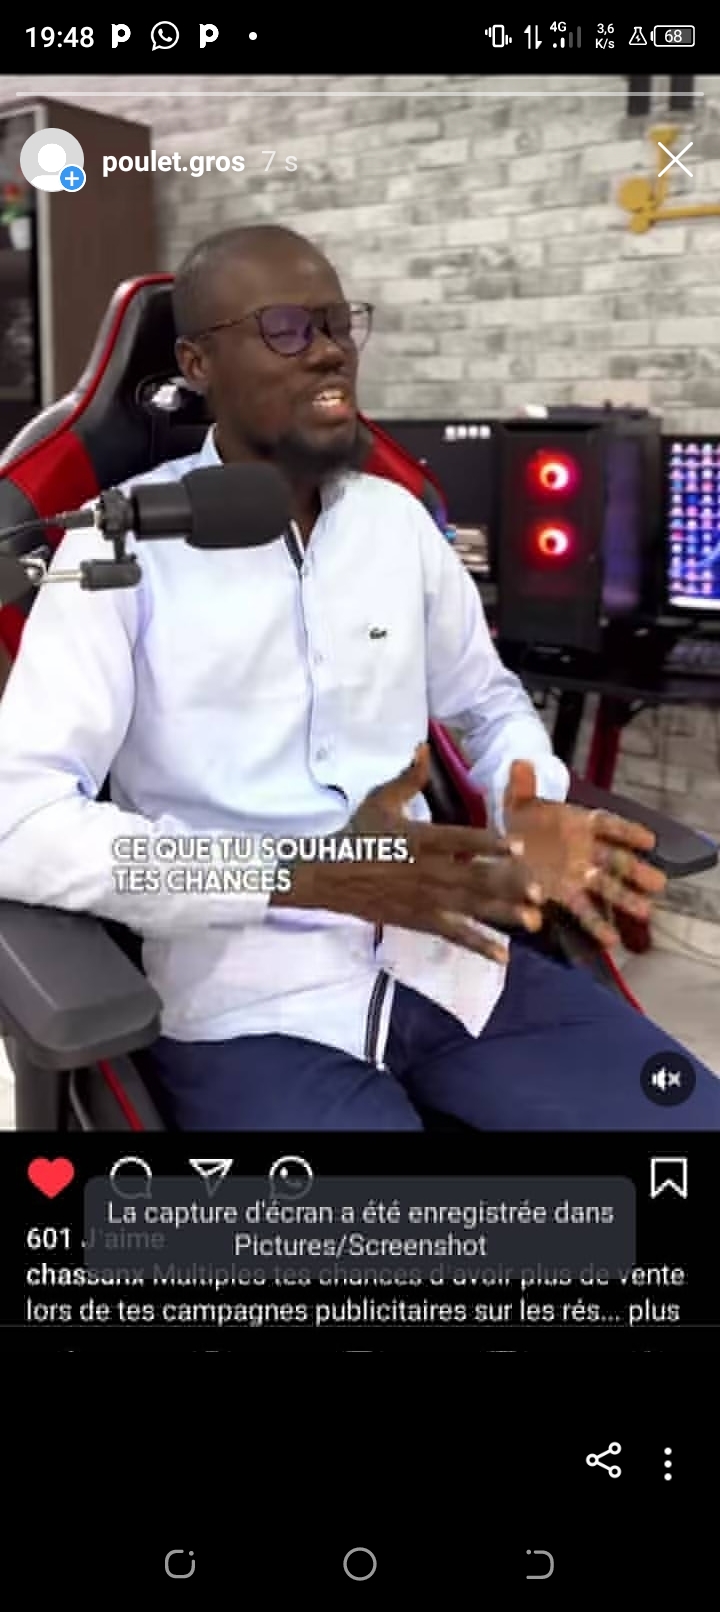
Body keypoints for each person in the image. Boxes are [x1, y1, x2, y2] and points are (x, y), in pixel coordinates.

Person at [0, 223, 717, 1132]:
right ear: (197, 363)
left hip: (449, 958)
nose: (331, 348)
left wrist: (528, 800)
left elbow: (488, 703)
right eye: (287, 328)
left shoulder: (397, 525)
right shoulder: (118, 547)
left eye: (340, 322)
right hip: (248, 1003)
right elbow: (21, 824)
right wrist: (306, 875)